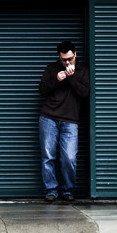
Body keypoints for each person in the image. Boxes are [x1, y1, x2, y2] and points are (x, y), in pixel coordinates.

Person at [38, 41, 90, 202]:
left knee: (69, 158)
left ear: (75, 55)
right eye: (63, 60)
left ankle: (67, 190)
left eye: (70, 59)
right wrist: (56, 80)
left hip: (70, 120)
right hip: (49, 117)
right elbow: (42, 90)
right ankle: (51, 190)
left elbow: (85, 93)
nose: (67, 63)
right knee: (48, 156)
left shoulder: (82, 70)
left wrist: (71, 77)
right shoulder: (52, 68)